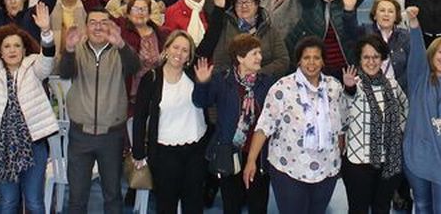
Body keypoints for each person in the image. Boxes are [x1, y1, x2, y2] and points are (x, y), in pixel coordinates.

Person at [0, 7, 58, 214]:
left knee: (34, 201)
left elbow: (48, 60)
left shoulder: (34, 66)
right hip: (2, 146)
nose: (12, 50)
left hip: (34, 144)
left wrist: (46, 32)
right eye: (7, 46)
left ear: (25, 50)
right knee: (8, 202)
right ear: (0, 50)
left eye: (17, 46)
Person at [245, 36, 345, 214]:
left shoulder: (334, 87)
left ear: (323, 61)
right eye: (306, 57)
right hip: (289, 170)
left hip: (327, 169)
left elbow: (340, 127)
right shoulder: (282, 88)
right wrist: (251, 160)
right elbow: (263, 127)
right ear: (298, 60)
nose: (312, 62)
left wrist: (339, 160)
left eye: (316, 57)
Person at [57, 7, 141, 214]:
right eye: (93, 22)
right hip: (80, 134)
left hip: (111, 135)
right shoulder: (76, 49)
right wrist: (67, 49)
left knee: (112, 195)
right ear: (86, 26)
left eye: (103, 22)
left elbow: (135, 67)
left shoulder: (119, 50)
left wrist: (120, 44)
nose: (98, 27)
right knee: (77, 197)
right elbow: (65, 73)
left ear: (111, 26)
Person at [194, 33, 275, 213]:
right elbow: (201, 102)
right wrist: (202, 83)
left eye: (260, 53)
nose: (260, 57)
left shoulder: (267, 83)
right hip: (229, 153)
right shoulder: (222, 80)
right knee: (231, 206)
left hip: (258, 154)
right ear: (240, 57)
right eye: (254, 53)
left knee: (258, 206)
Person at [132, 30, 210, 214]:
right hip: (164, 153)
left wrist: (204, 83)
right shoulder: (151, 78)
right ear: (166, 49)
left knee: (194, 203)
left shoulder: (195, 75)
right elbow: (140, 117)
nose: (179, 53)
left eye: (185, 50)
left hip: (196, 150)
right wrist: (139, 152)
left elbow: (206, 102)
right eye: (176, 47)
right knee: (166, 205)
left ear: (189, 57)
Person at [400, 7, 441, 213]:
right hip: (417, 157)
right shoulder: (419, 76)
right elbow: (418, 49)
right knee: (422, 206)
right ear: (432, 54)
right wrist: (414, 23)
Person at [340, 34, 408, 214]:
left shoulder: (393, 85)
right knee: (358, 209)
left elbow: (405, 112)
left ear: (383, 58)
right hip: (358, 162)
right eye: (366, 57)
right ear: (359, 59)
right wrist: (348, 89)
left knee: (382, 208)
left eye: (376, 56)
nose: (371, 61)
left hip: (389, 162)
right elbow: (342, 116)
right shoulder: (352, 85)